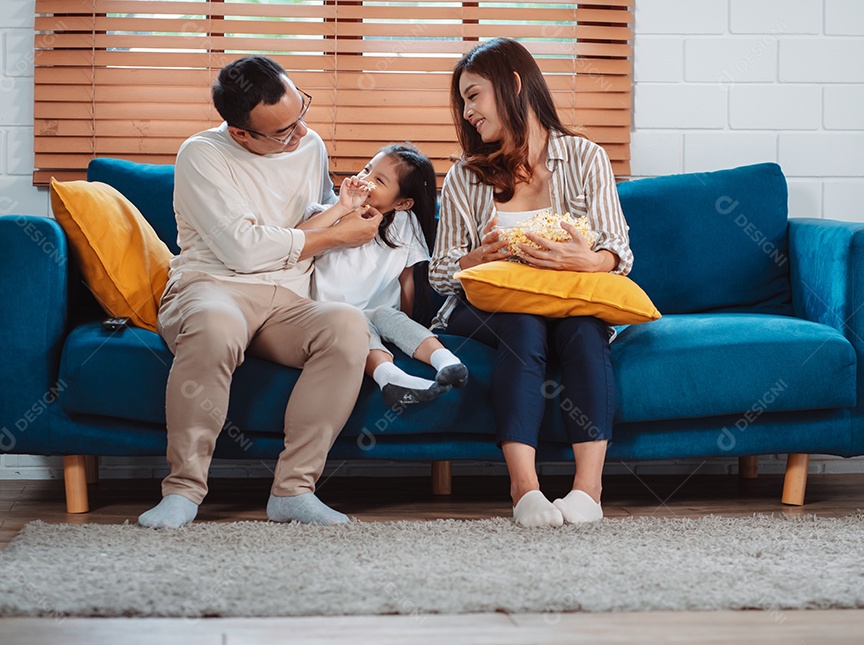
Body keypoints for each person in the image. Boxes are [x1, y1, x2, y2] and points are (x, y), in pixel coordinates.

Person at [139, 55, 381, 529]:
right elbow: (243, 251)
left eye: (301, 115)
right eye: (282, 131)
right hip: (211, 286)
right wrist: (334, 236)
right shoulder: (201, 154)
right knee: (216, 324)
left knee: (349, 326)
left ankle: (294, 491)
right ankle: (184, 491)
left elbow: (308, 223)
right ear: (240, 133)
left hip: (286, 299)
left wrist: (347, 216)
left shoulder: (310, 145)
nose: (299, 133)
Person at [430, 38, 634, 528]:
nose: (467, 111)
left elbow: (619, 253)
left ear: (513, 85)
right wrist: (473, 258)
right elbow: (439, 273)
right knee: (522, 325)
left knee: (584, 329)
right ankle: (525, 489)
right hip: (489, 302)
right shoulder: (466, 175)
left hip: (568, 297)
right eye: (463, 100)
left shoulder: (585, 157)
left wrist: (588, 260)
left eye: (474, 95)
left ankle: (589, 490)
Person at [300, 143, 468, 407]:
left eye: (378, 180)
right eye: (367, 169)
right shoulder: (330, 213)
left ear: (402, 203)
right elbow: (298, 240)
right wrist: (342, 209)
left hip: (380, 310)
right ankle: (389, 377)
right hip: (334, 317)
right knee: (358, 327)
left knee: (392, 319)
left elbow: (407, 279)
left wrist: (408, 321)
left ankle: (447, 362)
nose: (365, 180)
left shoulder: (404, 224)